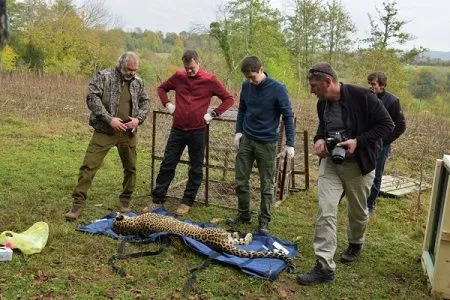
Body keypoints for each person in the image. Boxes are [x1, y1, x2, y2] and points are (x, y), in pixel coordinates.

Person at [297, 63, 394, 285]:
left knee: (357, 212)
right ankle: (324, 267)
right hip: (331, 164)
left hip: (358, 166)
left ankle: (356, 240)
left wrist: (358, 142)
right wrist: (319, 140)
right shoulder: (322, 104)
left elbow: (387, 125)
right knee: (326, 210)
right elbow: (323, 127)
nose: (311, 90)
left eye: (314, 86)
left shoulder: (363, 97)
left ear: (328, 82)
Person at [148, 50, 234, 216]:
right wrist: (168, 104)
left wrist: (214, 114)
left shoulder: (210, 80)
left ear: (198, 63)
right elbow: (161, 88)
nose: (189, 71)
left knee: (195, 167)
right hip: (178, 129)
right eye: (187, 68)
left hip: (198, 131)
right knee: (168, 163)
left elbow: (229, 99)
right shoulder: (179, 76)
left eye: (192, 68)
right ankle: (157, 200)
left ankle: (187, 202)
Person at [65, 52, 150, 220]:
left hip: (128, 132)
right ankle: (77, 205)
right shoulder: (103, 76)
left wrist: (138, 120)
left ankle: (125, 201)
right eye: (129, 69)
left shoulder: (138, 82)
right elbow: (91, 98)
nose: (132, 73)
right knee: (89, 166)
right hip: (105, 130)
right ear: (121, 64)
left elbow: (145, 101)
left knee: (131, 168)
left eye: (135, 70)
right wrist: (109, 119)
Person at [228, 56, 295, 235]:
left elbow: (288, 115)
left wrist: (290, 143)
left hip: (267, 143)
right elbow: (242, 109)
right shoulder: (246, 86)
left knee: (267, 184)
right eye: (247, 78)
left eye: (253, 77)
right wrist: (238, 131)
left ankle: (264, 220)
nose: (251, 81)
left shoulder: (278, 89)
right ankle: (244, 214)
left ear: (261, 70)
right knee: (241, 180)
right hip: (247, 139)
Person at [367, 71, 406, 215]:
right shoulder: (366, 95)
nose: (370, 86)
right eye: (369, 83)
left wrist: (384, 141)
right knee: (356, 170)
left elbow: (401, 126)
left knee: (376, 174)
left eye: (373, 84)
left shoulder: (392, 101)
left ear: (382, 85)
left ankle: (370, 204)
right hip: (364, 140)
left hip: (381, 145)